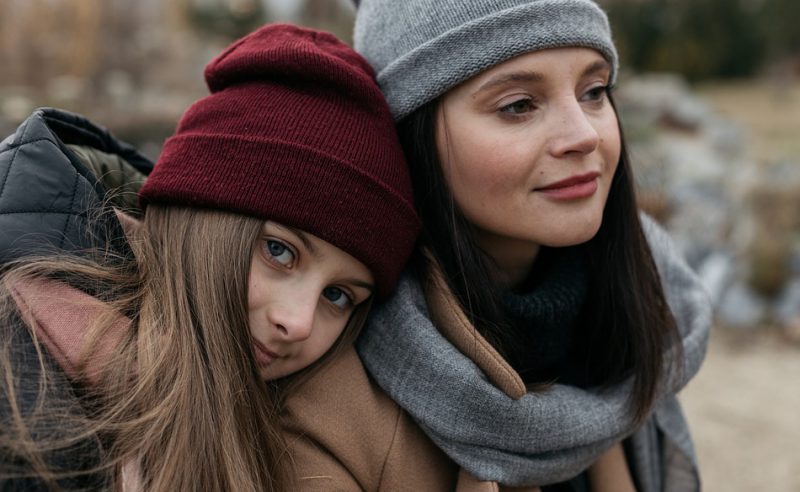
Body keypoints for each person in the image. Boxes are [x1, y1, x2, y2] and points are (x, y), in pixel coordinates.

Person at [281, 1, 712, 490]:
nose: (584, 135)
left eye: (594, 92)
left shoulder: (642, 314)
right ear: (413, 134)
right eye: (519, 105)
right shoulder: (328, 405)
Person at [0, 24, 420, 491]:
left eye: (338, 296)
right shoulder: (23, 384)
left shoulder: (246, 413)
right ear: (201, 217)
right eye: (279, 251)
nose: (298, 323)